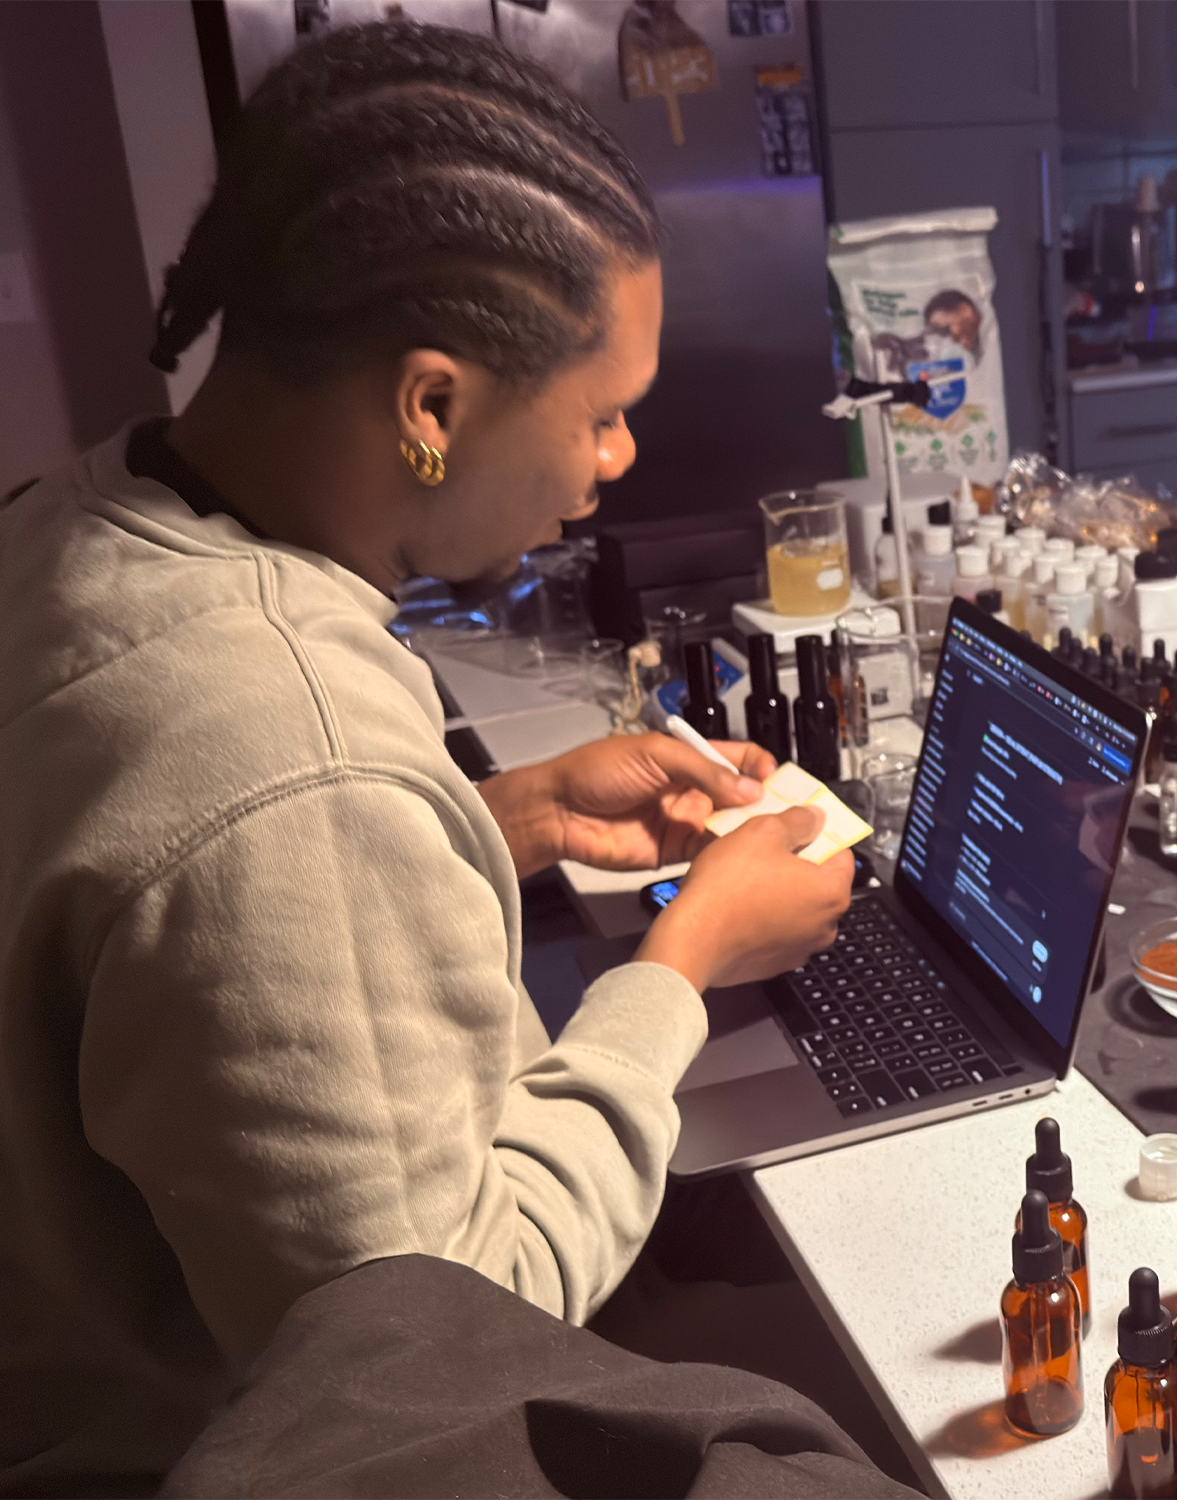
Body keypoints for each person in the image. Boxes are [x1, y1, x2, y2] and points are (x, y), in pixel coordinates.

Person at [0, 23, 851, 1494]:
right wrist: (684, 965)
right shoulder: (288, 751)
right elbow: (446, 1342)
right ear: (434, 408)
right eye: (601, 413)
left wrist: (493, 820)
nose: (620, 461)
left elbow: (176, 888)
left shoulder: (85, 516)